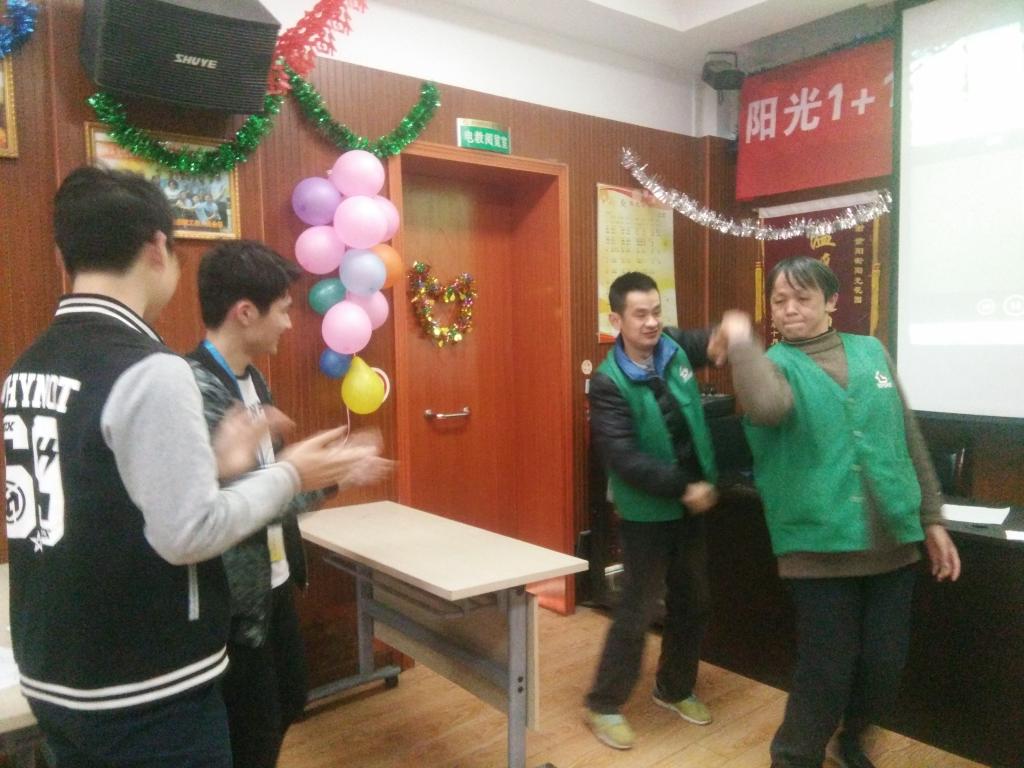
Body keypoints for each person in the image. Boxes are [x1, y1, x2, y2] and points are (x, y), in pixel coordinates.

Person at [1, 166, 376, 768]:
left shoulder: (28, 365)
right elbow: (188, 532)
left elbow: (104, 495)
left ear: (61, 255)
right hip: (140, 681)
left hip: (57, 668)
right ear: (158, 247)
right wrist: (291, 475)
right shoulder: (151, 368)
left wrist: (219, 465)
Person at [719, 255, 961, 768]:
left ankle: (850, 742)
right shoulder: (771, 365)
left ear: (831, 301)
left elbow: (907, 435)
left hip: (892, 541)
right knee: (825, 670)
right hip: (818, 546)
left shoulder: (871, 351)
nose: (789, 310)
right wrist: (741, 344)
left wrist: (932, 519)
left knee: (883, 666)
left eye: (802, 298)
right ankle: (793, 758)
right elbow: (767, 408)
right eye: (779, 301)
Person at [187, 240, 393, 768]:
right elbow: (242, 503)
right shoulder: (196, 388)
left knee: (291, 697)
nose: (288, 322)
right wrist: (328, 477)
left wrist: (331, 472)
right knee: (252, 733)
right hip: (234, 599)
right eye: (281, 310)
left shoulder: (253, 378)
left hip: (273, 580)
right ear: (245, 312)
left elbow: (270, 480)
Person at [584, 271, 724, 750]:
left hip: (691, 507)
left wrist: (727, 333)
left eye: (656, 312)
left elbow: (707, 340)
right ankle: (603, 704)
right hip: (648, 514)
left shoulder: (673, 347)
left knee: (693, 601)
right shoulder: (607, 382)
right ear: (616, 320)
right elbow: (623, 458)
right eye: (640, 314)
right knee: (636, 611)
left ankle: (674, 688)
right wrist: (685, 487)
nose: (651, 322)